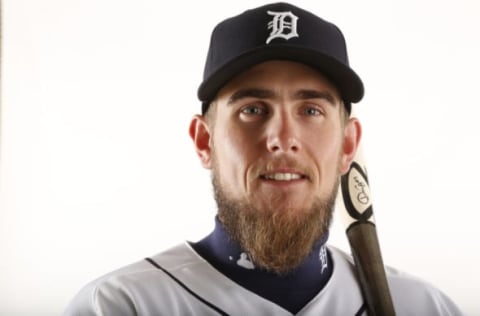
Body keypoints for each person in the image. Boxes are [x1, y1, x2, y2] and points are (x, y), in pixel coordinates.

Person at [64, 3, 463, 315]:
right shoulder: (120, 306)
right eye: (253, 109)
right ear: (204, 141)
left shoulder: (426, 308)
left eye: (311, 110)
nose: (283, 139)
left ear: (347, 146)